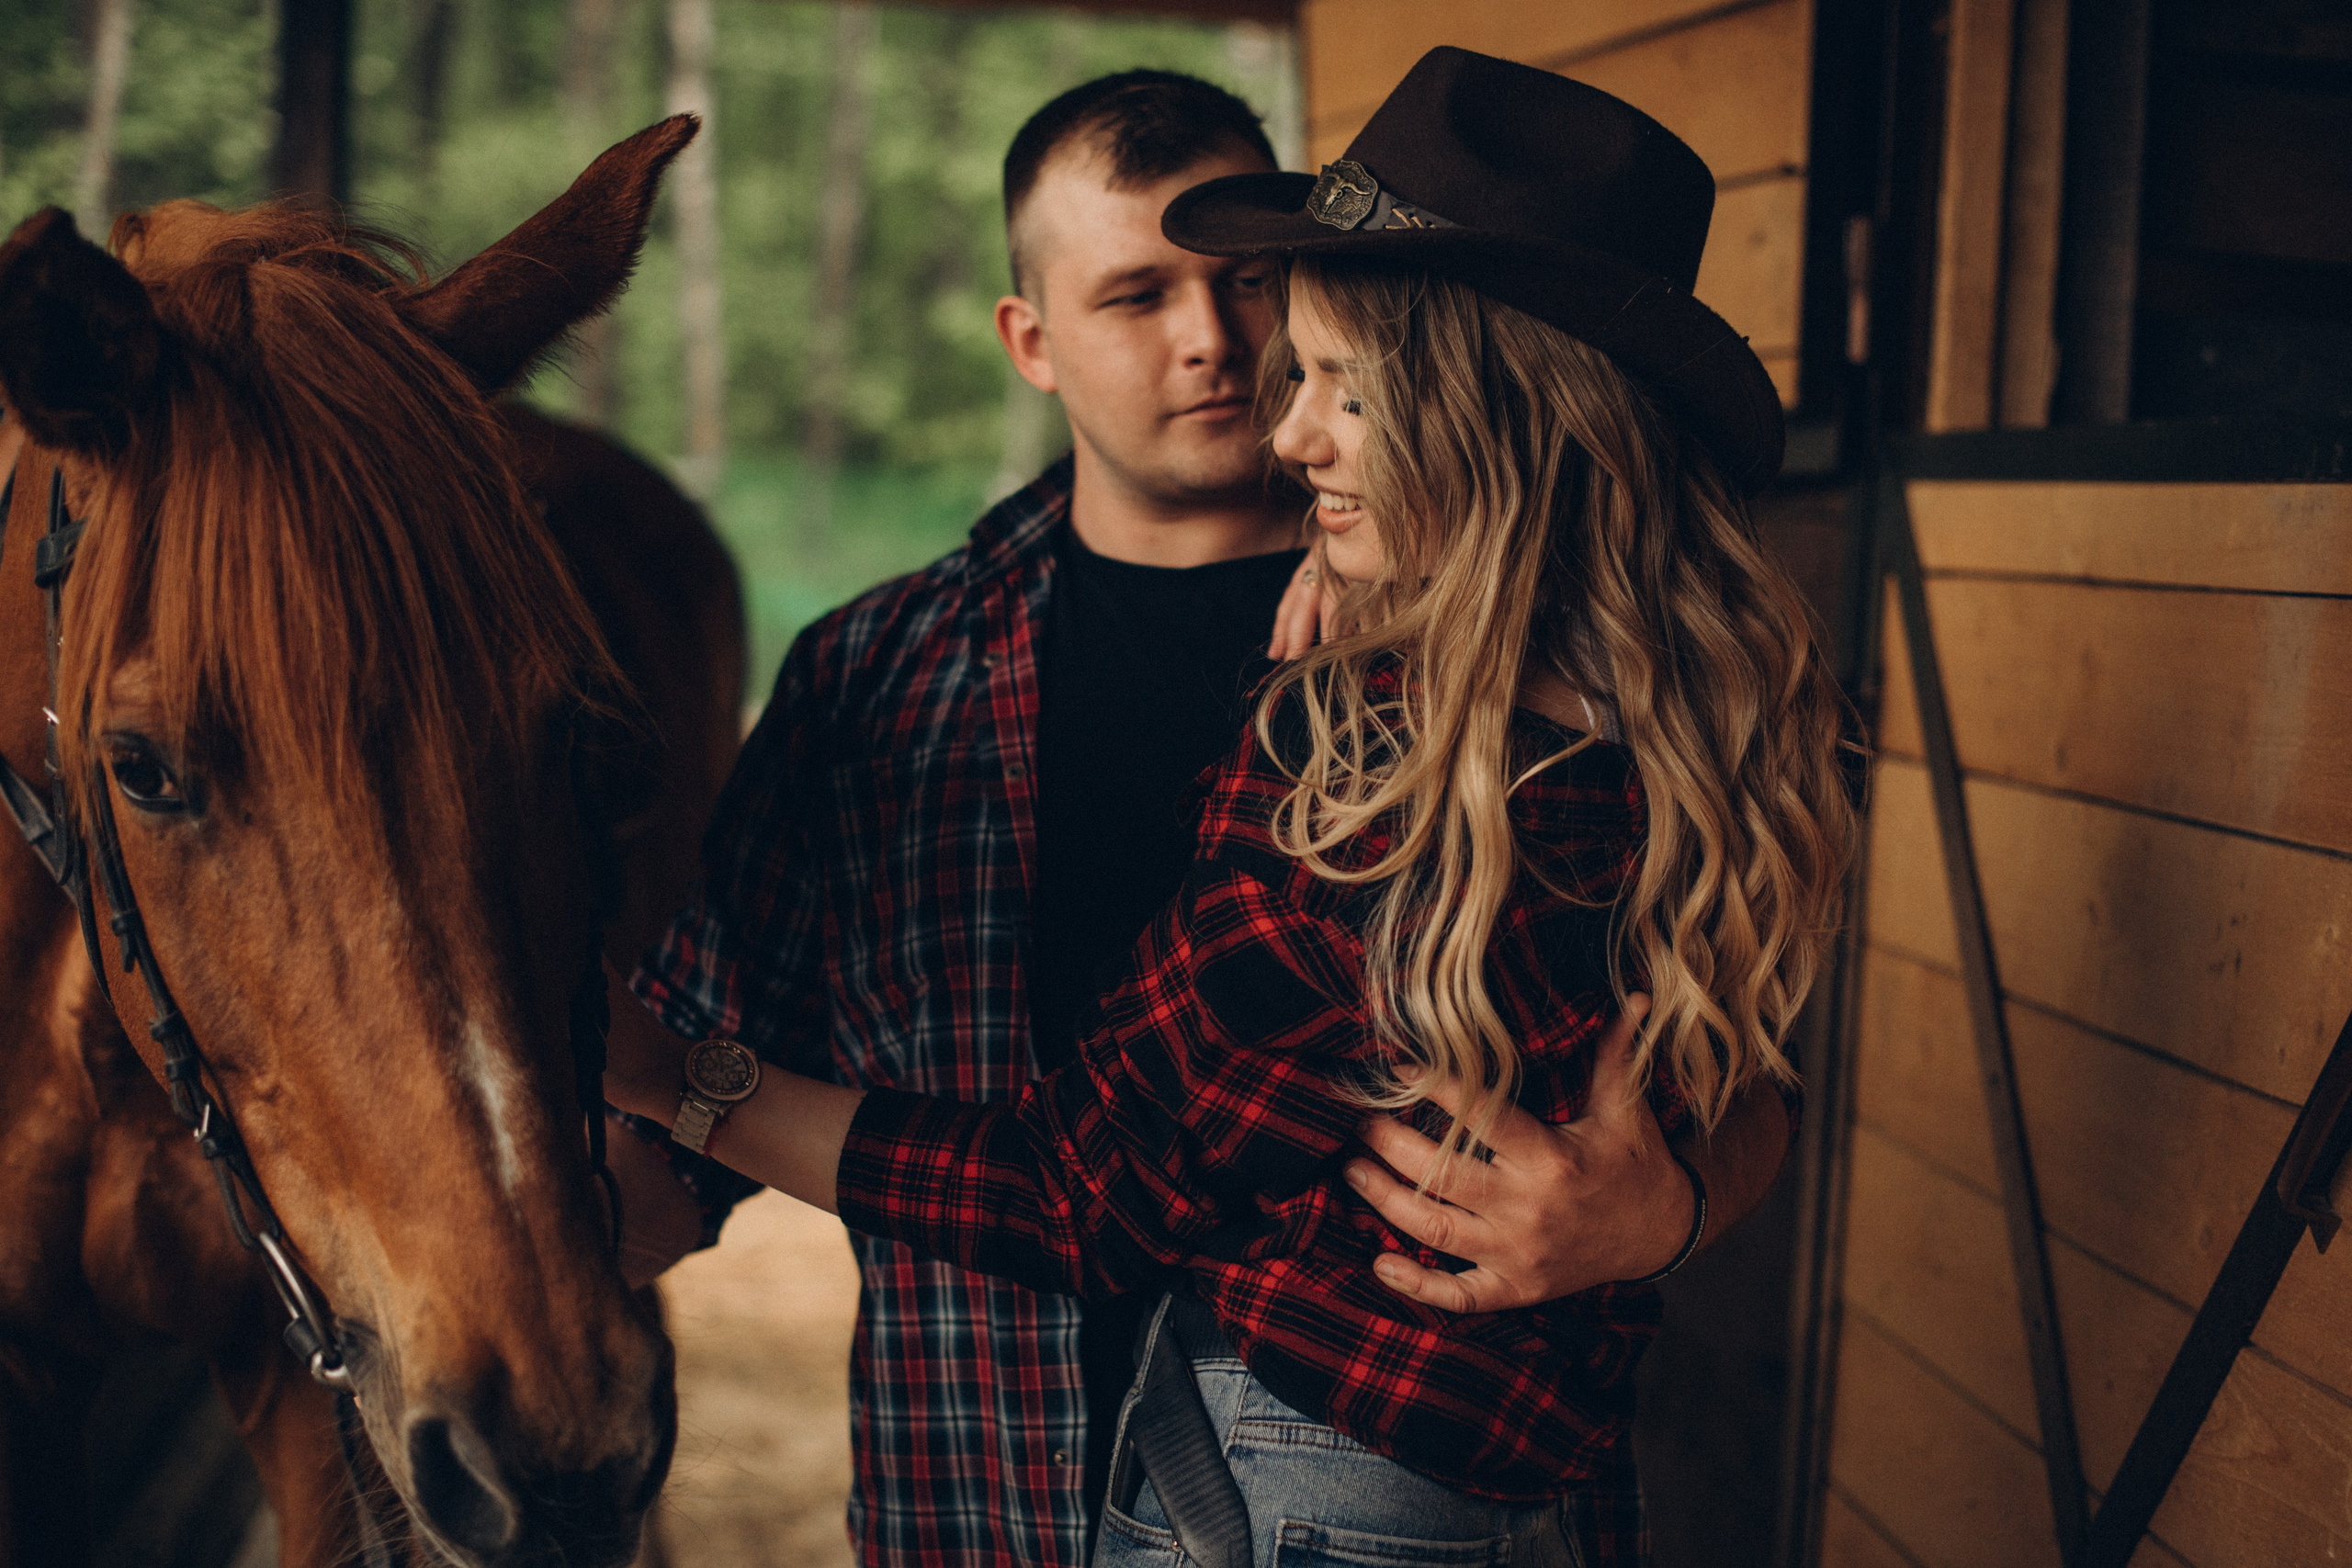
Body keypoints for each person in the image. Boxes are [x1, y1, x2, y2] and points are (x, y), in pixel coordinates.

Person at [603, 65, 1804, 1567]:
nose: (1214, 346)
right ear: (1029, 341)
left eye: (1247, 289)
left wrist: (1667, 1213)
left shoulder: (1459, 689)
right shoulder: (878, 679)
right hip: (983, 1505)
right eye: (1135, 294)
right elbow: (658, 1157)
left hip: (1359, 1503)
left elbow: (1743, 1073)